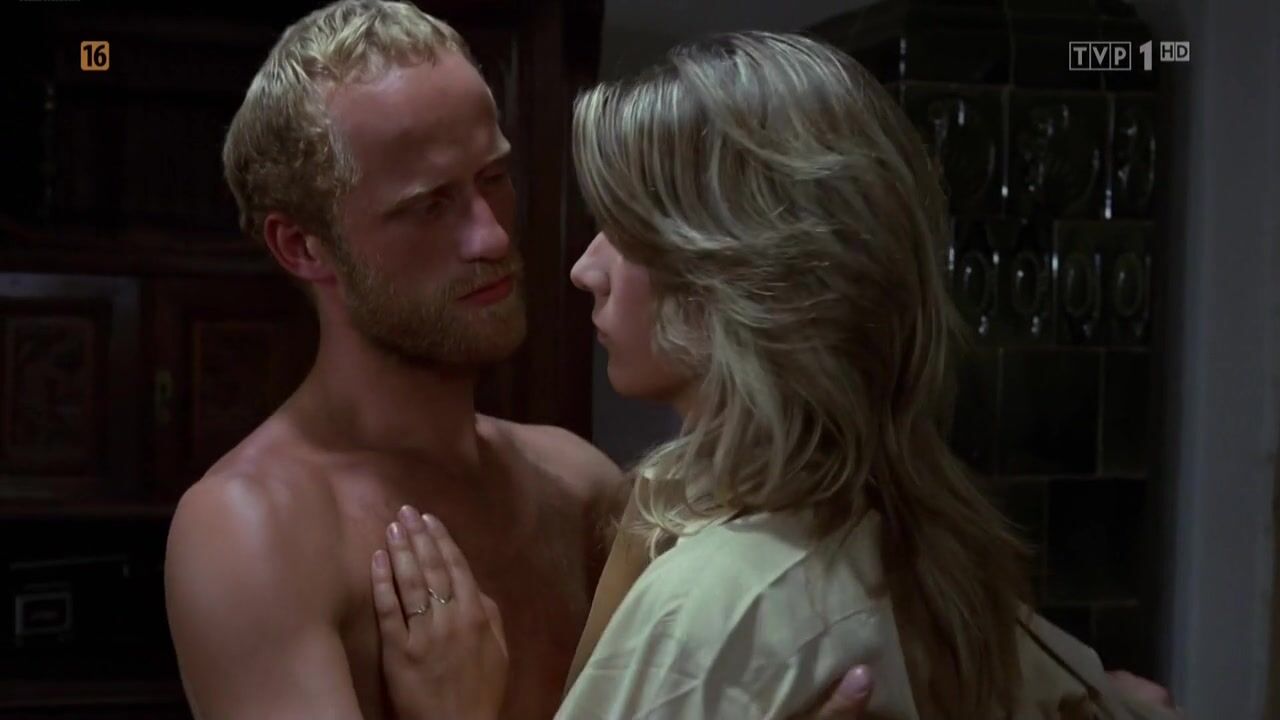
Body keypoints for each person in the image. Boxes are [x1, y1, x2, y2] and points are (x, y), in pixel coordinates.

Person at [370, 31, 1185, 720]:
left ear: (733, 274)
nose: (586, 269)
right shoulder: (927, 548)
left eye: (624, 230)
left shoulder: (716, 607)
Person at [163, 2, 868, 719]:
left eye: (494, 177)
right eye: (430, 204)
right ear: (303, 246)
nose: (493, 237)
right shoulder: (254, 531)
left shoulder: (577, 483)